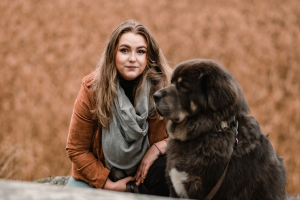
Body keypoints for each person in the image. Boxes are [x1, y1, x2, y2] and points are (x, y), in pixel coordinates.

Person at [65, 19, 172, 196]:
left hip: (147, 179)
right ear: (112, 54)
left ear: (148, 56)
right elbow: (76, 148)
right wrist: (107, 184)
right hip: (98, 178)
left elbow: (190, 134)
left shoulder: (163, 89)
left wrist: (159, 147)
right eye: (124, 50)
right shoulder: (93, 89)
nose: (132, 58)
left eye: (140, 51)